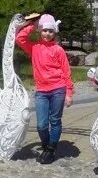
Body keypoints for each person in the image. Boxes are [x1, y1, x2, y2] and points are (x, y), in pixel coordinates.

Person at [15, 13, 74, 164]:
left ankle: (51, 150)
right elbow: (20, 38)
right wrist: (32, 26)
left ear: (54, 32)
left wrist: (68, 93)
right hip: (41, 91)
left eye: (50, 31)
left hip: (58, 89)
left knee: (55, 121)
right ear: (40, 31)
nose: (47, 34)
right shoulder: (35, 48)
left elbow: (66, 72)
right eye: (44, 30)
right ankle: (47, 146)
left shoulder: (58, 50)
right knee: (41, 125)